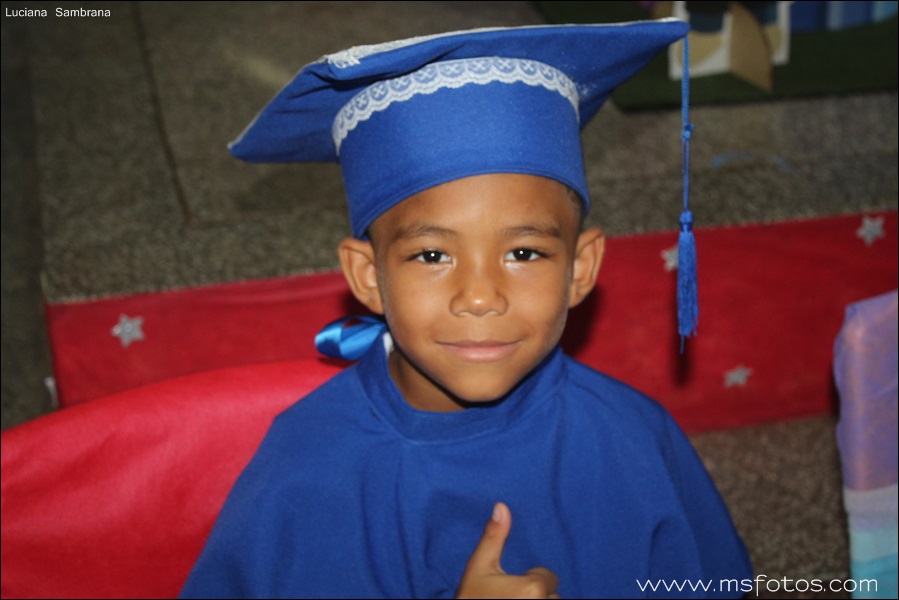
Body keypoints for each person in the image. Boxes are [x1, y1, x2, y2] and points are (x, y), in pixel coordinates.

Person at [180, 20, 752, 598]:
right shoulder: (309, 470)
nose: (480, 297)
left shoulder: (632, 439)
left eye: (524, 253)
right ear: (368, 276)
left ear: (580, 269)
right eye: (432, 255)